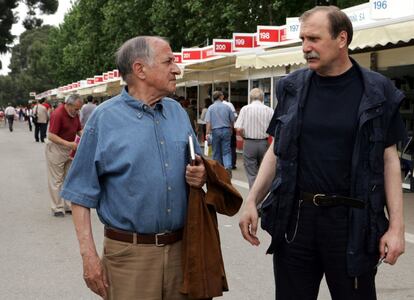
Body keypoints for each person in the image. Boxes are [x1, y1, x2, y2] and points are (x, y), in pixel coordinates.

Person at [239, 6, 406, 300]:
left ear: (341, 39)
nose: (306, 48)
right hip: (297, 220)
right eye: (303, 39)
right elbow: (278, 150)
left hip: (352, 223)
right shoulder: (292, 87)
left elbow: (389, 160)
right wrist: (252, 200)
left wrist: (396, 227)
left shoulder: (378, 91)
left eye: (314, 39)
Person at [60, 36, 206, 299]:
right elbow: (79, 195)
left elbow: (199, 163)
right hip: (129, 259)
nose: (177, 68)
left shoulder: (177, 113)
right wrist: (89, 256)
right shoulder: (104, 119)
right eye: (169, 61)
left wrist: (201, 173)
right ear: (140, 70)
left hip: (182, 252)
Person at [46, 94, 83, 217]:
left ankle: (68, 205)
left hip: (70, 149)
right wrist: (68, 144)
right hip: (57, 148)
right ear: (68, 105)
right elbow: (51, 135)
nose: (78, 111)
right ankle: (57, 207)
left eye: (79, 109)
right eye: (76, 108)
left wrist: (86, 138)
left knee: (69, 178)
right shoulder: (58, 114)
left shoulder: (75, 114)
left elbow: (79, 129)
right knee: (57, 180)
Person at [234, 88, 274, 189]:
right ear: (262, 98)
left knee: (251, 172)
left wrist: (243, 136)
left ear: (250, 97)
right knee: (264, 171)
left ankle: (254, 196)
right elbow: (275, 128)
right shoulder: (269, 110)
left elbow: (238, 127)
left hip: (249, 143)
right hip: (264, 143)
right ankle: (263, 195)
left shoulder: (245, 109)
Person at [205, 90, 235, 177]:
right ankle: (228, 166)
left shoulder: (210, 108)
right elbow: (232, 119)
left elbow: (208, 122)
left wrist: (207, 133)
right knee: (226, 151)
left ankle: (217, 169)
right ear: (220, 97)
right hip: (226, 130)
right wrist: (231, 129)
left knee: (216, 151)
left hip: (215, 131)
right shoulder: (227, 107)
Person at [223, 91, 238, 169]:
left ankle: (222, 164)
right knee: (231, 147)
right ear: (227, 97)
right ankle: (231, 164)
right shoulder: (229, 105)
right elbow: (234, 117)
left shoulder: (214, 106)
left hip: (218, 129)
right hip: (228, 128)